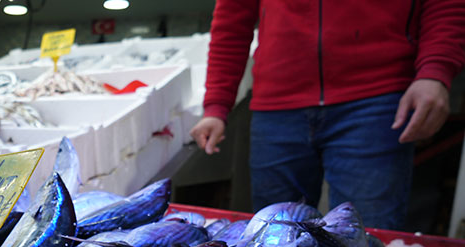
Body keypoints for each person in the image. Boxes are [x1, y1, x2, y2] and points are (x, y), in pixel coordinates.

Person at [190, 0, 465, 231]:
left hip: (375, 97)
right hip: (277, 105)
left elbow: (445, 5)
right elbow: (232, 19)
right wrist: (216, 104)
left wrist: (436, 72)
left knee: (364, 240)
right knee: (273, 239)